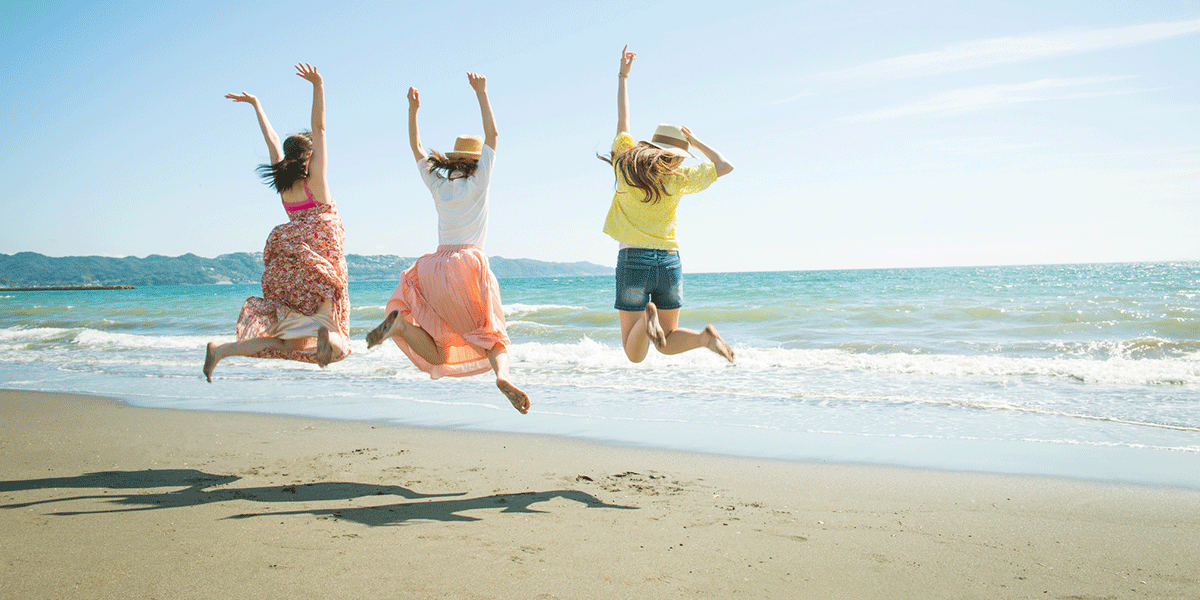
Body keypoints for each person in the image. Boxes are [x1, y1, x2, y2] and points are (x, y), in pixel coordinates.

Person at [365, 73, 529, 414]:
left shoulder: (439, 184)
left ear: (454, 160)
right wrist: (482, 92)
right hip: (468, 266)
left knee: (439, 351)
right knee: (492, 335)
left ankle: (400, 327)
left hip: (433, 268)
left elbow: (416, 148)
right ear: (474, 161)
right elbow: (494, 135)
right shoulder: (479, 181)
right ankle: (502, 377)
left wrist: (413, 110)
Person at [204, 63, 350, 382]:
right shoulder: (317, 181)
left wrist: (257, 105)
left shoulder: (283, 182)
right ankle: (327, 331)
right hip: (320, 254)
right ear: (310, 156)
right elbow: (320, 127)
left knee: (289, 343)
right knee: (339, 340)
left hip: (289, 258)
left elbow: (272, 140)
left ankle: (221, 350)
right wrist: (318, 86)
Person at [600, 46, 736, 364]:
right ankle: (704, 338)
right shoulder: (680, 177)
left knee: (634, 354)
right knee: (666, 340)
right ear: (678, 155)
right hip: (669, 263)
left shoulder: (625, 162)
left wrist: (623, 75)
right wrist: (697, 141)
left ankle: (648, 319)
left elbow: (623, 119)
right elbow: (725, 165)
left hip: (633, 259)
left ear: (652, 143)